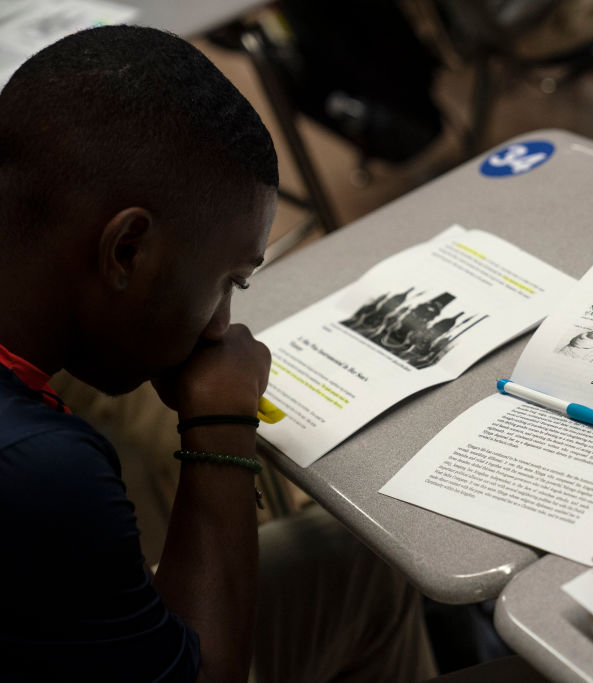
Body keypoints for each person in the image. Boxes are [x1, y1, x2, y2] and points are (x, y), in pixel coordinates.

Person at [0, 26, 435, 682]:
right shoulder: (46, 472)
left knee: (361, 568)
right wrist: (220, 427)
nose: (222, 326)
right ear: (127, 251)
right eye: (228, 280)